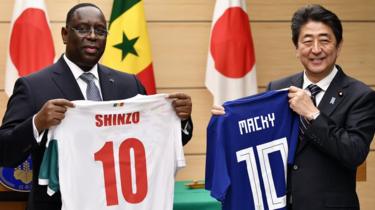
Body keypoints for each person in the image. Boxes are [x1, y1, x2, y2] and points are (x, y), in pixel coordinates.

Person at [0, 3, 193, 210]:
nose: (92, 36)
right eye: (82, 29)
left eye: (100, 31)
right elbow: (4, 152)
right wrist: (37, 123)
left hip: (121, 203)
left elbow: (155, 141)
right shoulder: (34, 86)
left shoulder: (128, 84)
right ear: (65, 34)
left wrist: (180, 119)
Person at [212, 4, 375, 210]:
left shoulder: (360, 95)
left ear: (339, 46)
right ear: (296, 48)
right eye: (307, 41)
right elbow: (259, 138)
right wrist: (230, 120)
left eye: (324, 40)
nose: (316, 49)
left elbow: (354, 153)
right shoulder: (278, 88)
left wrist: (313, 115)